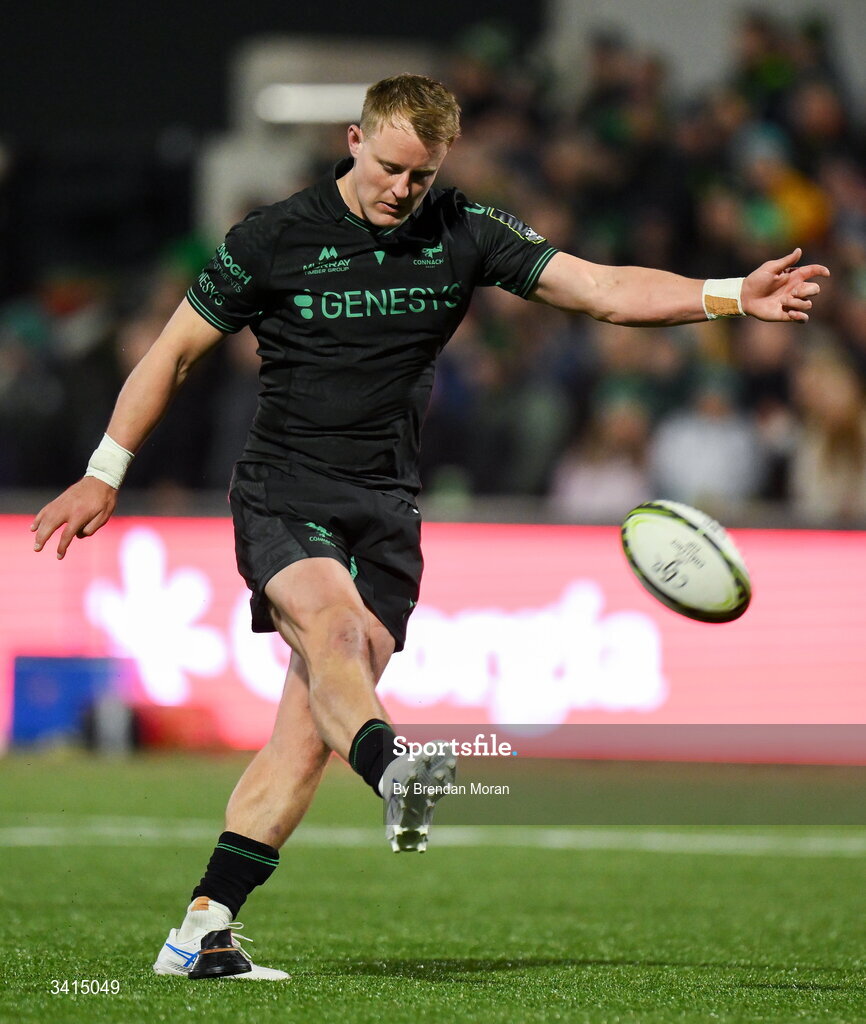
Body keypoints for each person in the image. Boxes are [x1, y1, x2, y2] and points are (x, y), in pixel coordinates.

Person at [30, 73, 829, 981]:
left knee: (306, 732)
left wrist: (729, 294)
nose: (403, 191)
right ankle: (396, 771)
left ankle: (202, 929)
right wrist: (105, 472)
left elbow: (602, 287)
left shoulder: (463, 230)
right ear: (356, 138)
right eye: (392, 168)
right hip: (285, 490)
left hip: (387, 512)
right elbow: (171, 351)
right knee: (331, 632)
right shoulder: (272, 238)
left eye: (423, 174)